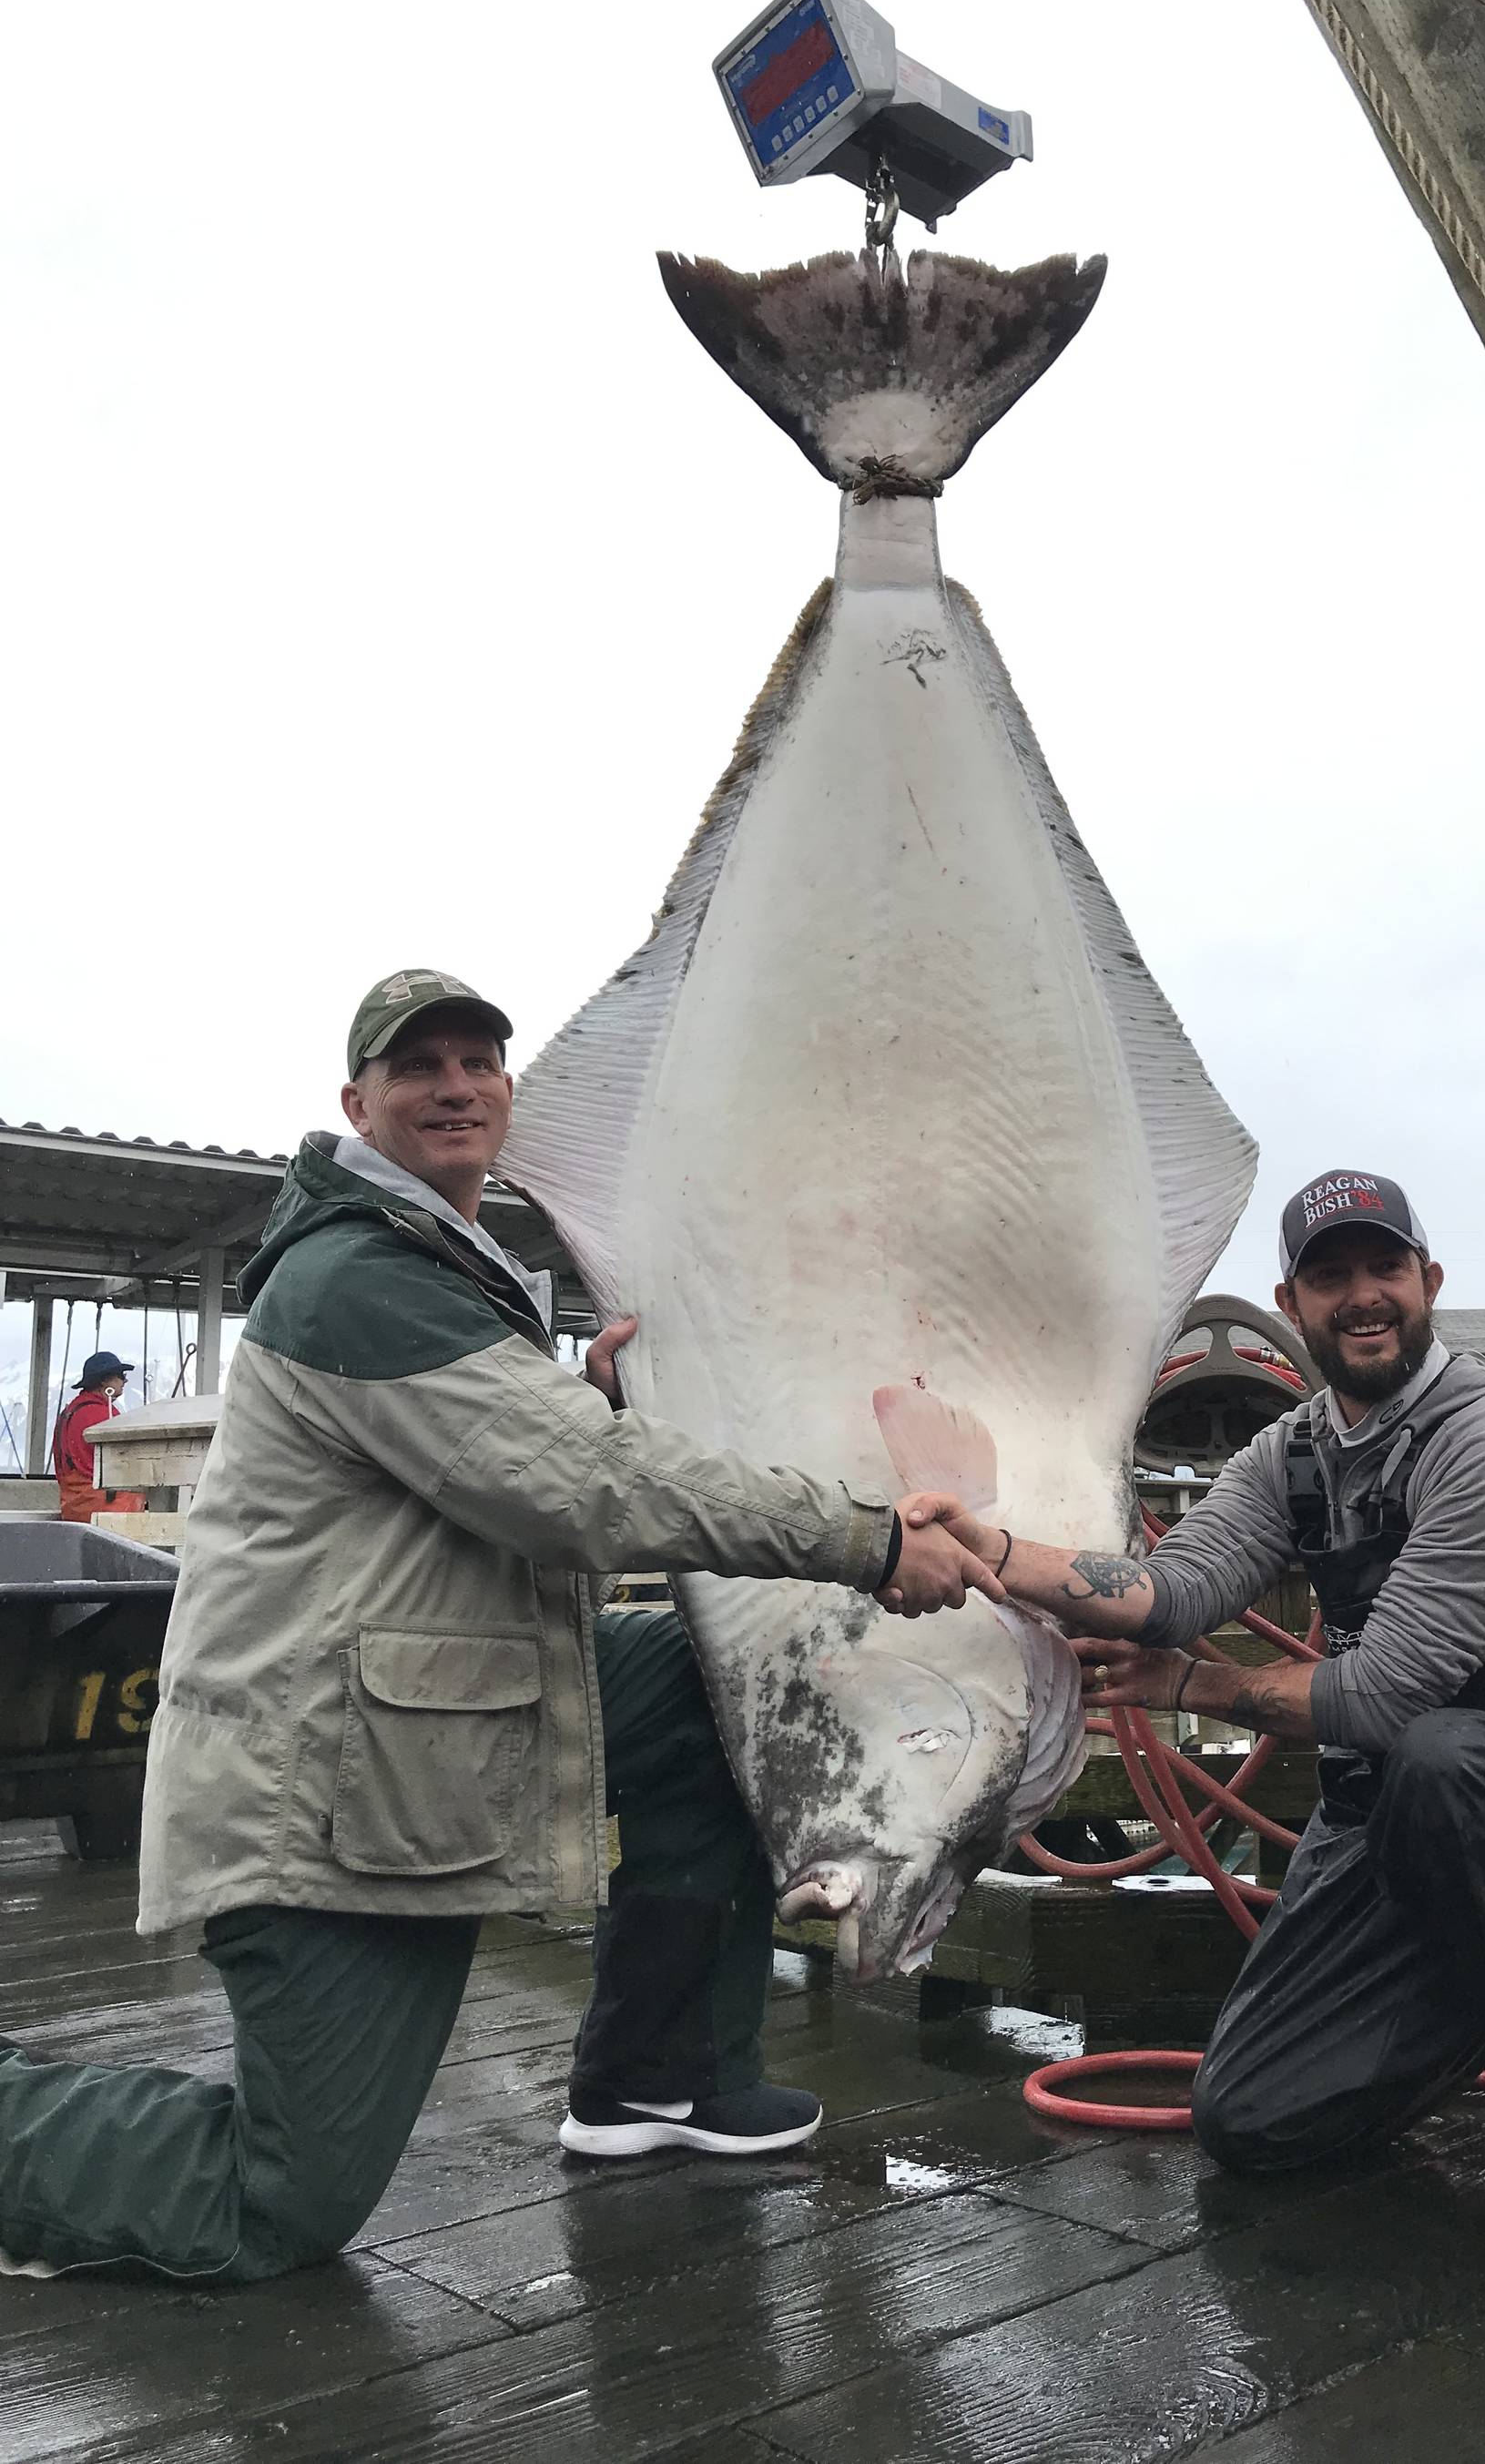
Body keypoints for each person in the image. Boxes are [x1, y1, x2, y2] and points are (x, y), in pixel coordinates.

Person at [0, 968, 999, 2284]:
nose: (456, 1084)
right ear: (357, 1104)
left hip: (431, 1718)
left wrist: (573, 1386)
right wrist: (868, 1537)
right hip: (324, 1785)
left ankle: (659, 2077)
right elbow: (585, 1486)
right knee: (275, 2199)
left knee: (727, 1691)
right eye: (419, 1068)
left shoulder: (454, 1273)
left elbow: (506, 1458)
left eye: (479, 1060)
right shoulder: (356, 1275)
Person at [910, 1168, 1485, 2311]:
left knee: (1440, 1756)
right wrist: (993, 1550)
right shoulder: (1291, 1453)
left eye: (1383, 1269)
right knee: (1256, 2118)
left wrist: (1192, 1683)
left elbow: (1380, 1695)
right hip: (1398, 1820)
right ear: (1292, 1301)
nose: (1360, 1296)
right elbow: (1171, 1584)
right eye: (1329, 1277)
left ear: (1427, 1282)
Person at [50, 1351, 133, 1522]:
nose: (125, 1381)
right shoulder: (104, 1414)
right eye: (121, 1376)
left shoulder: (69, 1412)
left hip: (73, 1507)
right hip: (105, 1507)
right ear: (104, 1380)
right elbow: (125, 1460)